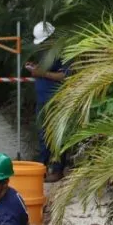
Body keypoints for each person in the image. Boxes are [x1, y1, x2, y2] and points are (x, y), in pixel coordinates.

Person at [25, 21, 70, 183]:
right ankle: (42, 167)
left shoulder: (63, 52)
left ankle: (57, 169)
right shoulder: (46, 52)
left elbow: (65, 75)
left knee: (56, 135)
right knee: (43, 135)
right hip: (43, 99)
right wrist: (36, 69)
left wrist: (42, 73)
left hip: (55, 100)